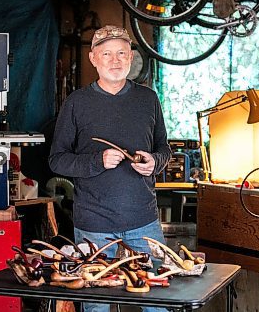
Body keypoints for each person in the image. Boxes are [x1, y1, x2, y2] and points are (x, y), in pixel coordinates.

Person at [49, 25, 171, 312]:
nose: (115, 61)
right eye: (107, 54)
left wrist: (155, 162)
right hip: (94, 226)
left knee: (159, 303)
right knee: (97, 307)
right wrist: (97, 161)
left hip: (144, 222)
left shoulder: (148, 99)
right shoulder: (77, 103)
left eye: (121, 53)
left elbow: (164, 149)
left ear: (131, 57)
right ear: (93, 58)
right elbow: (57, 160)